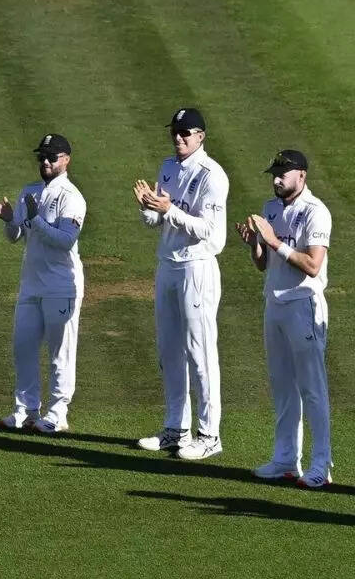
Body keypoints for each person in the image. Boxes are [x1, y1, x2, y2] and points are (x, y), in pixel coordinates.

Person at [133, 108, 228, 460]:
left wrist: (169, 209)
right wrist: (149, 208)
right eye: (175, 132)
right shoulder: (168, 167)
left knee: (199, 353)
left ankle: (209, 435)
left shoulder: (212, 175)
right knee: (169, 351)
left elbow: (212, 235)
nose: (179, 138)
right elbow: (156, 220)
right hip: (168, 266)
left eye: (186, 133)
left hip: (197, 269)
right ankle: (175, 429)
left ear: (201, 136)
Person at [236, 150, 333, 488]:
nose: (276, 180)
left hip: (303, 305)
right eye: (273, 174)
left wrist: (274, 240)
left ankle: (322, 463)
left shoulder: (316, 212)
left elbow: (312, 265)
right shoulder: (270, 208)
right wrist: (255, 246)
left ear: (302, 176)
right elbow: (265, 265)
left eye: (283, 174)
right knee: (282, 386)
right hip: (274, 304)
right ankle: (285, 459)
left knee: (312, 388)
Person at [0, 134, 86, 432]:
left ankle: (58, 414)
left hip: (61, 286)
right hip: (31, 284)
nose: (45, 162)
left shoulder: (72, 197)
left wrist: (35, 221)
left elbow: (65, 240)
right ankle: (26, 409)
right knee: (24, 348)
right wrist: (10, 219)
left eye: (52, 157)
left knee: (60, 353)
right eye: (41, 157)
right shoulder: (29, 191)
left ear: (66, 160)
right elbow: (15, 236)